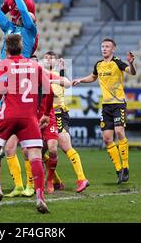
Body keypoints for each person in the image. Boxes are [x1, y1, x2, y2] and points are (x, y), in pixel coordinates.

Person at [0, 34, 53, 214]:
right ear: (23, 48)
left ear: (6, 51)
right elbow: (50, 91)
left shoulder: (3, 65)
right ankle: (40, 198)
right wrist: (45, 113)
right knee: (35, 155)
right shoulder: (35, 65)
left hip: (7, 115)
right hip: (29, 117)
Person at [73, 38, 136, 184]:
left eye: (107, 46)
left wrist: (131, 63)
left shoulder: (118, 62)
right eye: (102, 46)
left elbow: (131, 72)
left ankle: (126, 167)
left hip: (118, 104)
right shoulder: (99, 64)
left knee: (120, 132)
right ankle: (119, 170)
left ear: (113, 49)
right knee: (107, 139)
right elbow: (93, 77)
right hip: (106, 106)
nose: (104, 48)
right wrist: (81, 80)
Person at [44, 51, 89, 192]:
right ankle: (56, 181)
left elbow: (66, 85)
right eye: (46, 58)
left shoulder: (56, 76)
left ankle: (81, 178)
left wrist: (54, 77)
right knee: (39, 152)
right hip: (44, 117)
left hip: (58, 115)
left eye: (51, 58)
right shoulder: (43, 75)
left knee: (65, 147)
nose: (48, 60)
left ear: (56, 62)